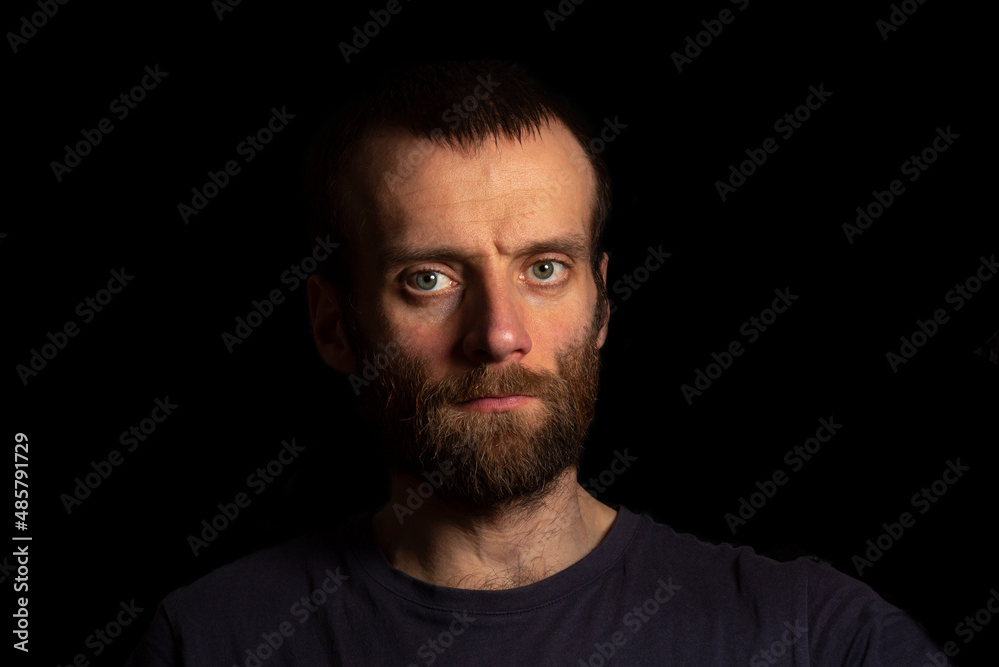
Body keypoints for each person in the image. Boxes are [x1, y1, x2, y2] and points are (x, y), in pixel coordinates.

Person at [124, 61, 944, 666]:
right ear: (335, 324)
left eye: (544, 268)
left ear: (601, 305)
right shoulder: (211, 642)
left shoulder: (819, 638)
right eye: (431, 279)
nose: (500, 335)